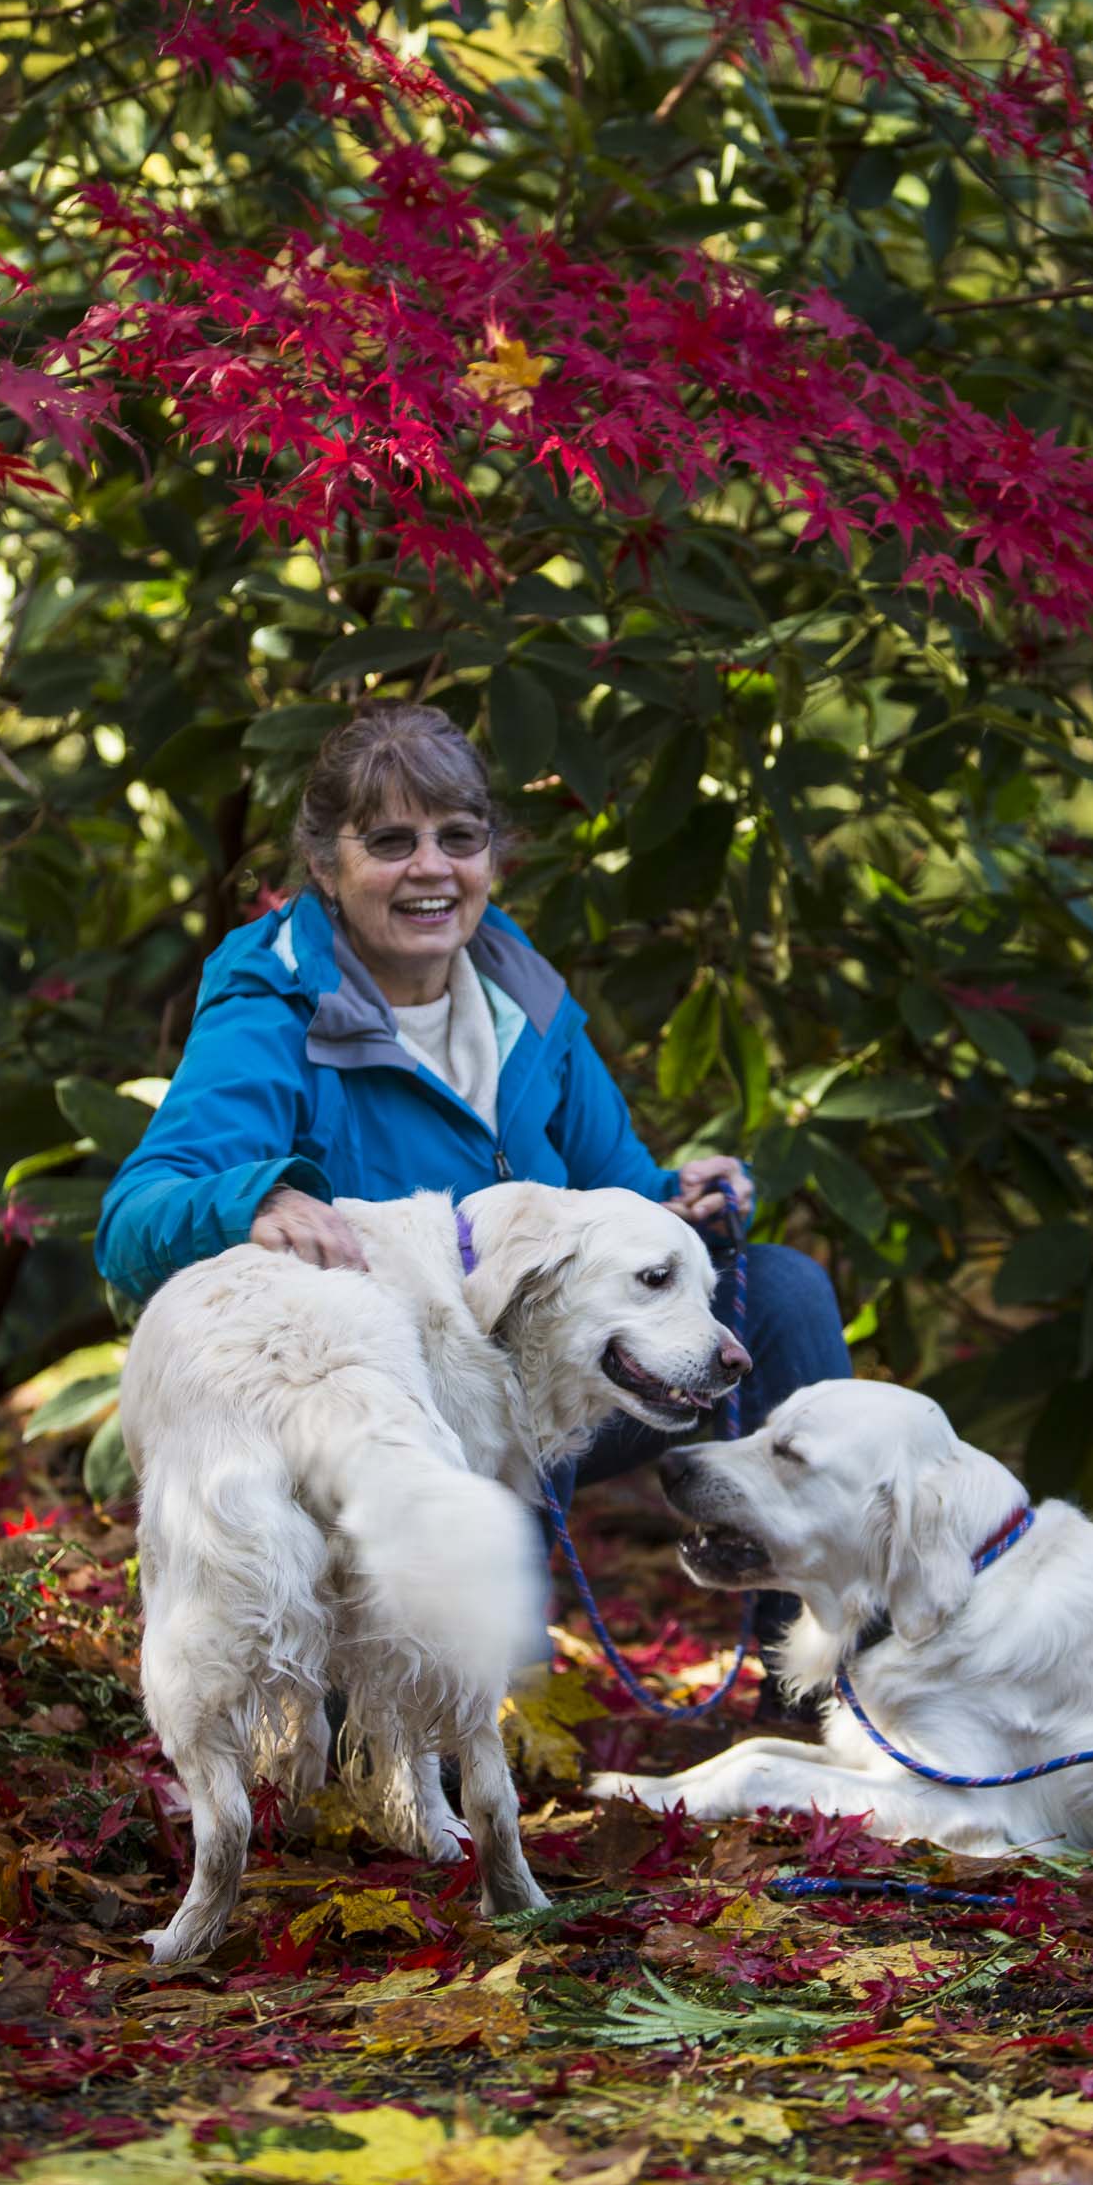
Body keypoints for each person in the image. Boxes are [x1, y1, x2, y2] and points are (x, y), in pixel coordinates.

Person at [94, 699, 851, 1695]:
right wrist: (256, 1200)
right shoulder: (272, 1005)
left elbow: (616, 1191)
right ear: (325, 865)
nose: (431, 870)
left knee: (785, 1293)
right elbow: (134, 1218)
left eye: (458, 838)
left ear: (491, 854)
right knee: (467, 1737)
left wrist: (680, 1202)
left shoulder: (517, 988)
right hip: (380, 1414)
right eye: (390, 842)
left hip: (526, 1375)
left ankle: (814, 1683)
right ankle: (397, 1694)